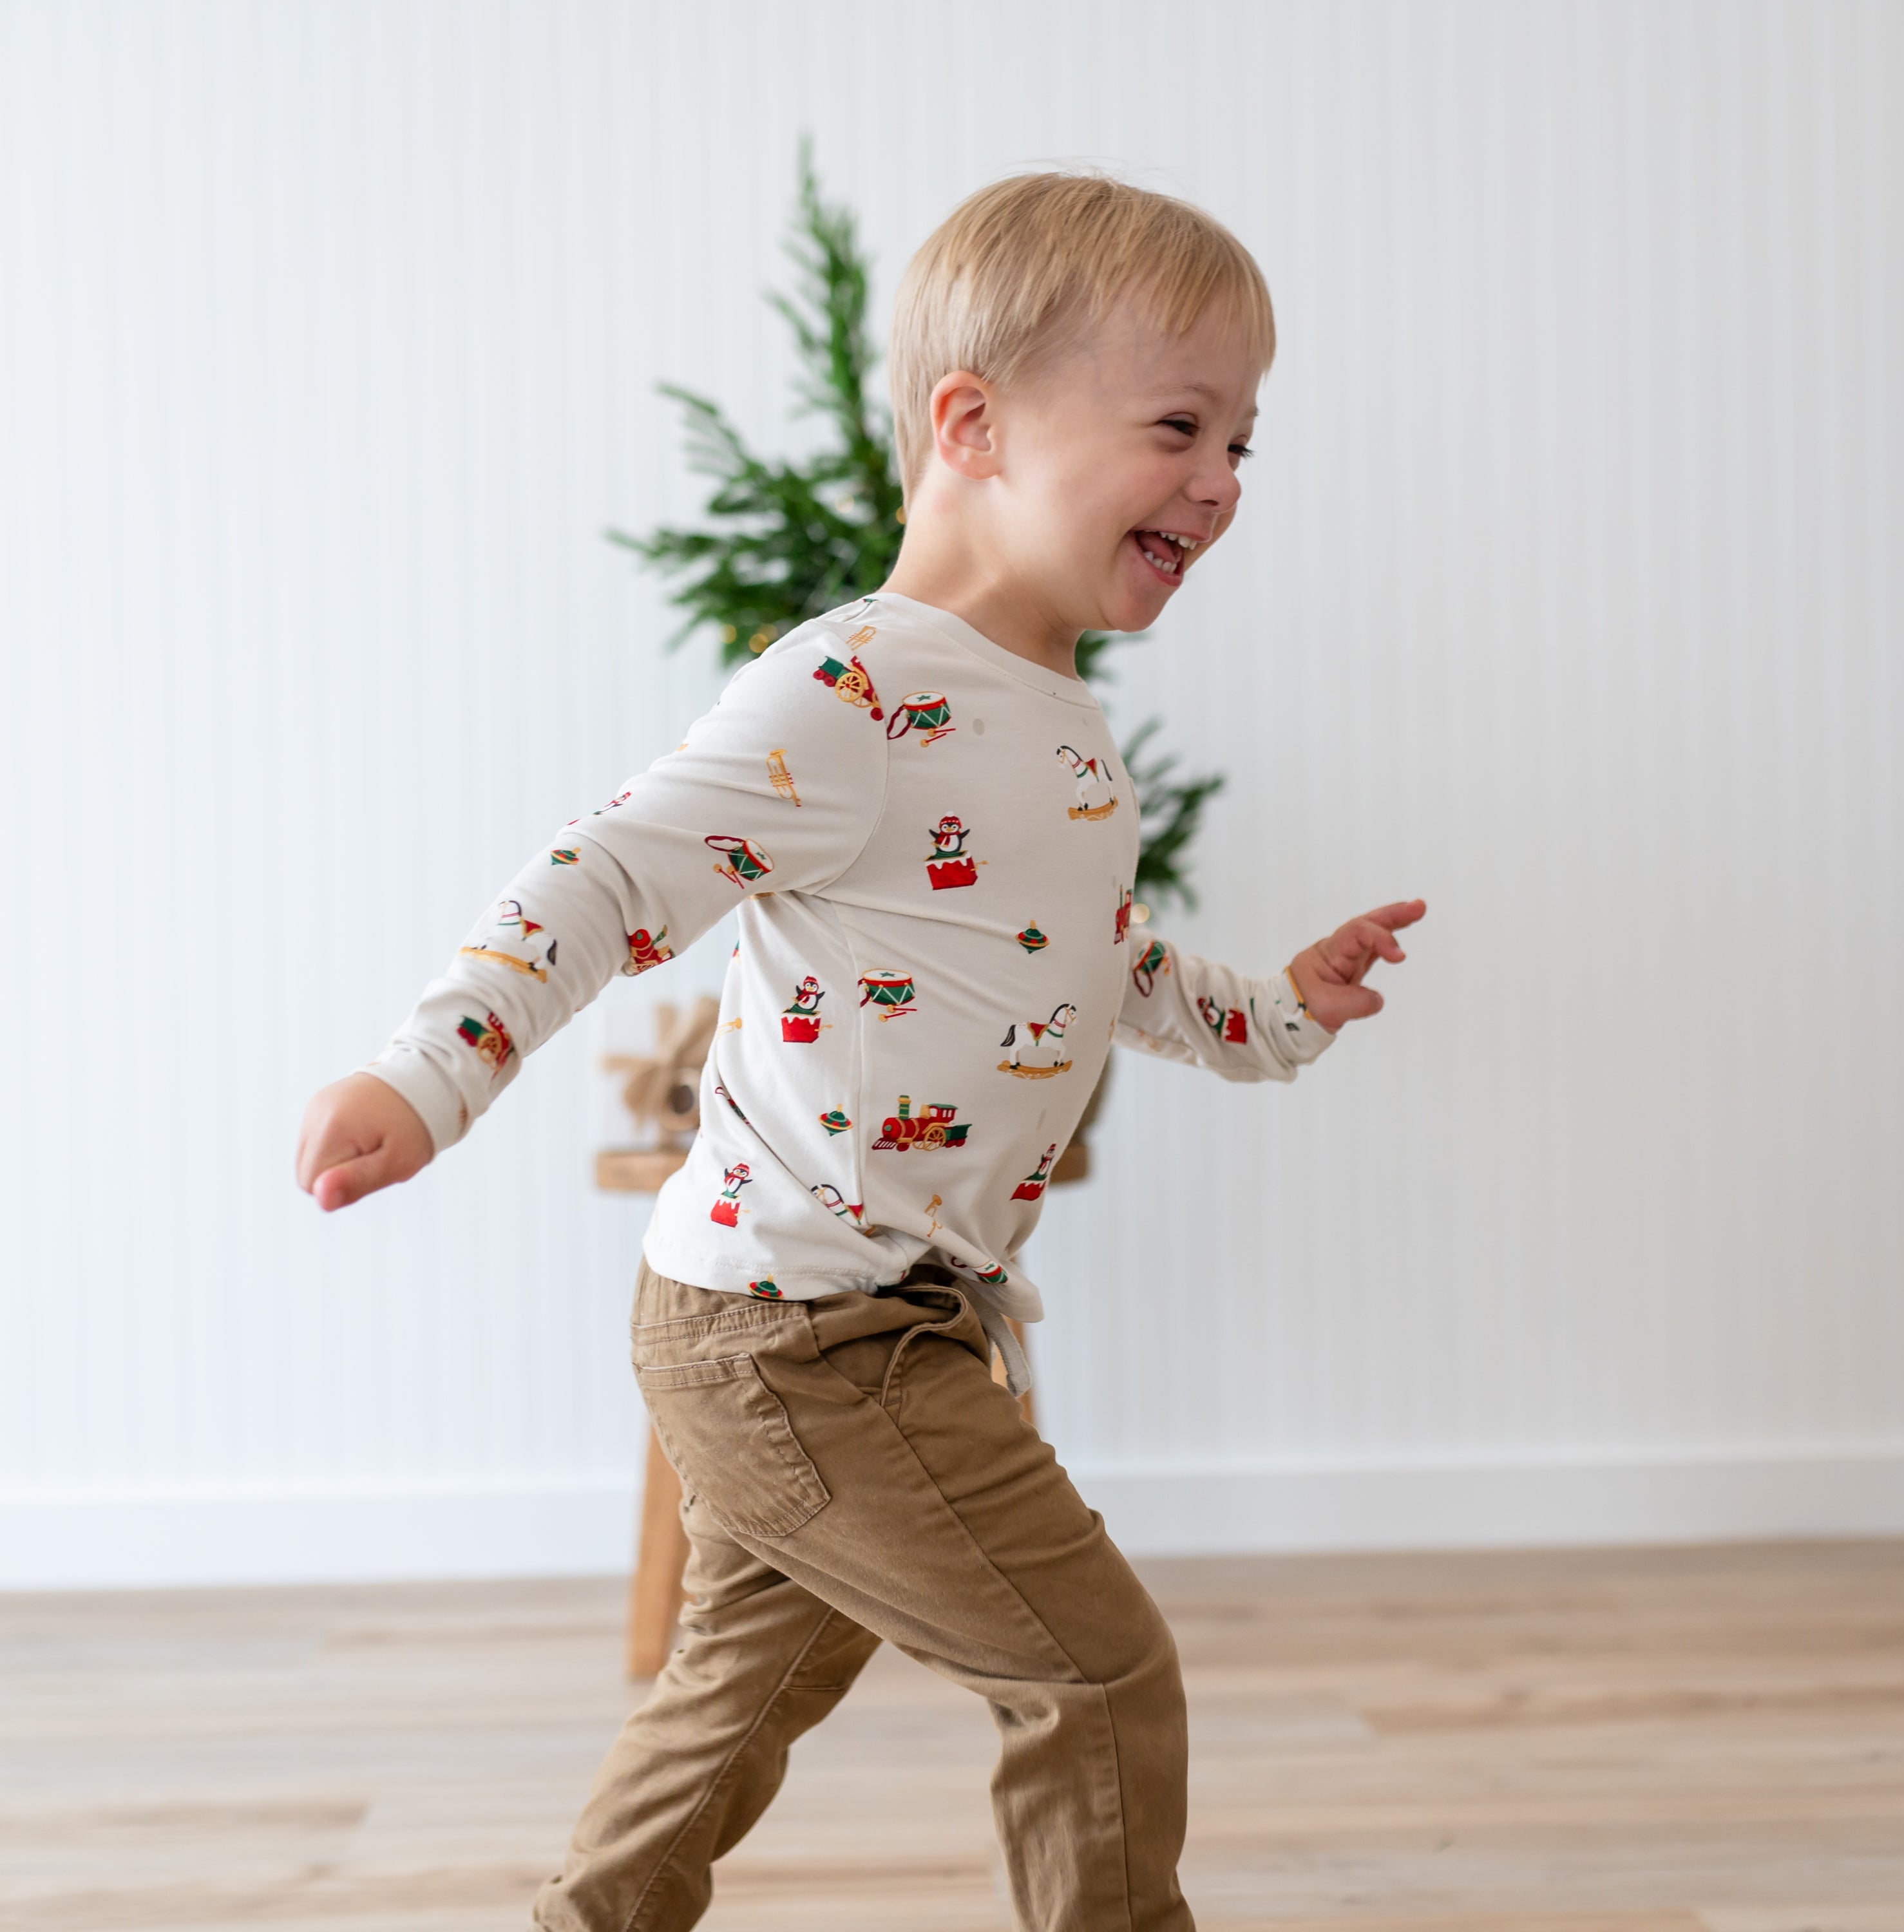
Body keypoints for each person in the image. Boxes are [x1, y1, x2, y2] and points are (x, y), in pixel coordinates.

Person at [295, 169, 1425, 1932]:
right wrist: (427, 1076)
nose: (1220, 482)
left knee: (740, 1695)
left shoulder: (1055, 722)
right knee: (1098, 1677)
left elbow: (1085, 963)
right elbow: (604, 877)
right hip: (800, 1334)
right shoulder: (853, 693)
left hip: (851, 1314)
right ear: (973, 425)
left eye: (1244, 445)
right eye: (1180, 426)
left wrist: (1275, 1013)